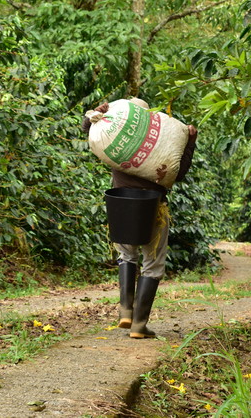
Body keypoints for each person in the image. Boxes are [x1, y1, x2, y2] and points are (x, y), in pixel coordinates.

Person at [82, 100, 197, 339]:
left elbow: (88, 127)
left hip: (120, 204)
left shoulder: (115, 137)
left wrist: (99, 112)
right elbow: (179, 172)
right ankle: (139, 324)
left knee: (127, 255)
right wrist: (190, 142)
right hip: (153, 206)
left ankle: (126, 311)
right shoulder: (157, 142)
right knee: (152, 265)